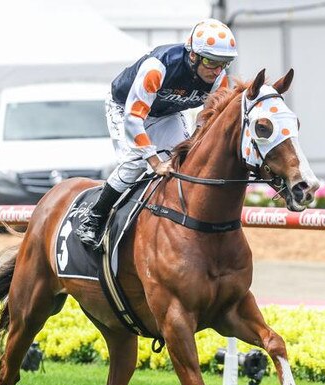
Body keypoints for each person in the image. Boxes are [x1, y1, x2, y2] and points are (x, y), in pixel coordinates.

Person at [75, 18, 238, 247]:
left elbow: (208, 118)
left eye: (225, 63)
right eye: (211, 62)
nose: (218, 71)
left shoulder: (218, 77)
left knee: (187, 159)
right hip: (127, 108)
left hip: (168, 112)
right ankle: (95, 218)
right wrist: (154, 161)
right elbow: (134, 119)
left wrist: (194, 141)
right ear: (193, 55)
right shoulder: (158, 66)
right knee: (135, 163)